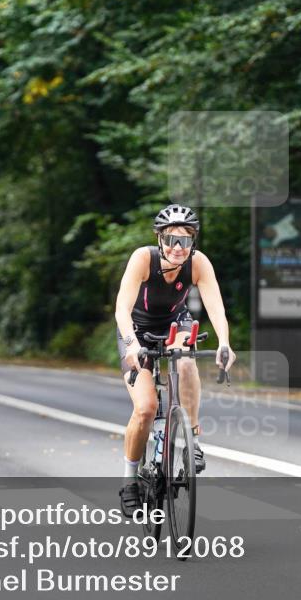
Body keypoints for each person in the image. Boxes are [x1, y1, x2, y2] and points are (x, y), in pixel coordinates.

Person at [114, 204, 236, 513]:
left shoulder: (198, 263)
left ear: (193, 241)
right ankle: (130, 480)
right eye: (170, 239)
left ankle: (192, 442)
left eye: (185, 239)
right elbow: (121, 310)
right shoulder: (143, 259)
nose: (177, 247)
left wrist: (224, 343)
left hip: (174, 324)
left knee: (185, 359)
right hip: (136, 331)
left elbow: (216, 308)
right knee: (145, 409)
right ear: (159, 240)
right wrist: (131, 345)